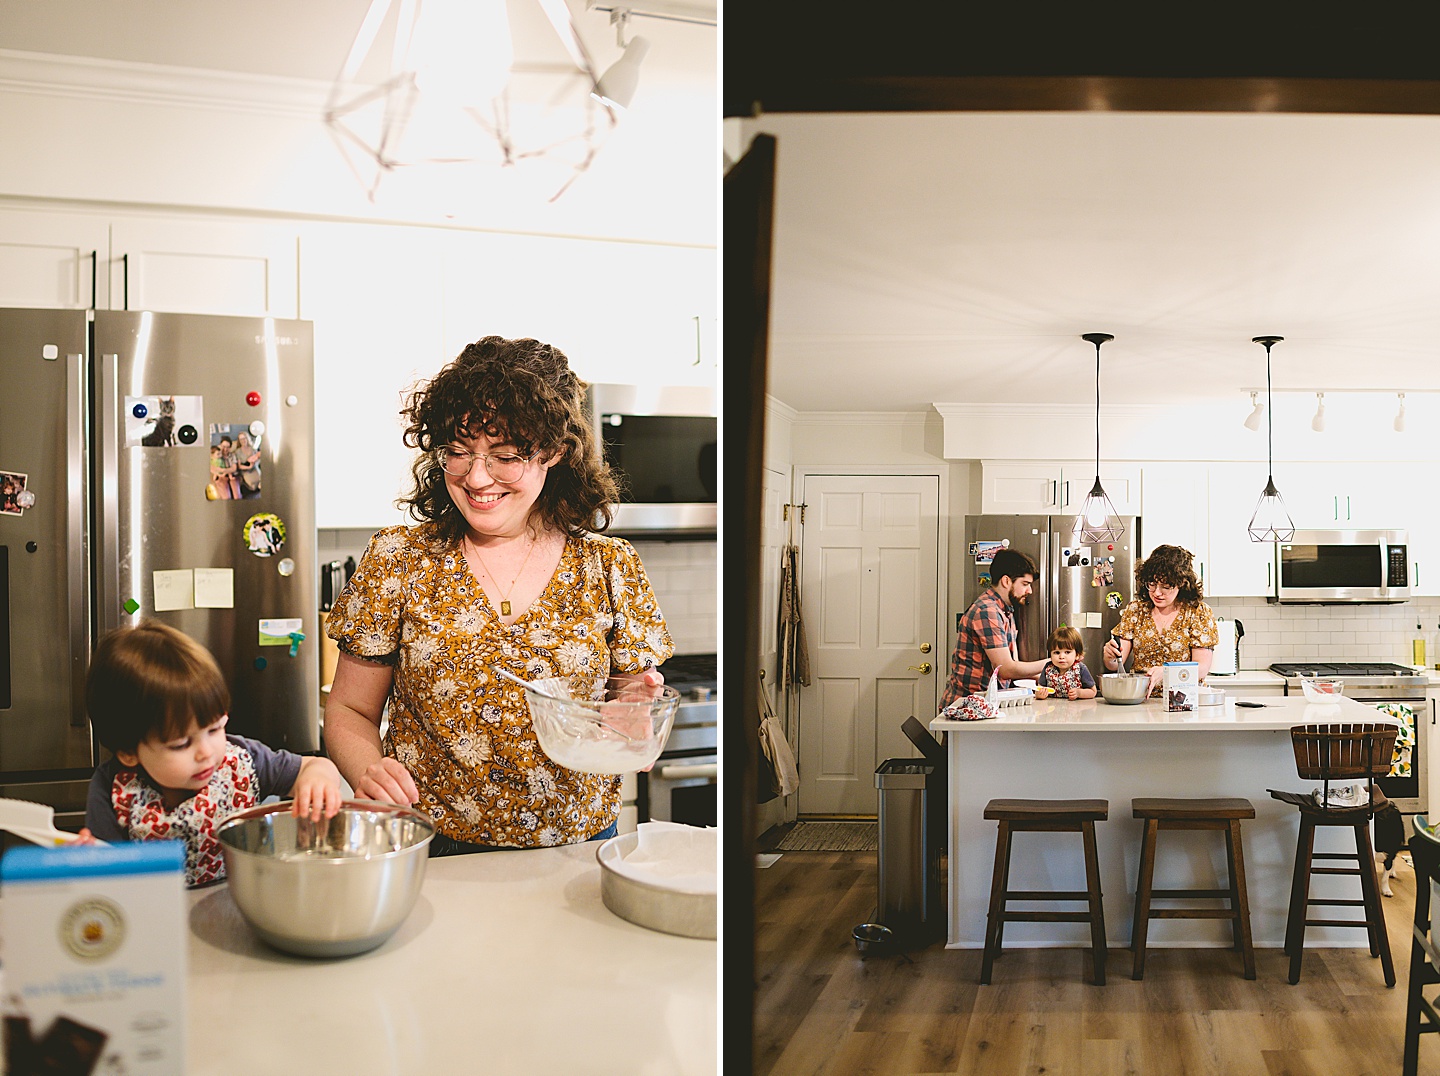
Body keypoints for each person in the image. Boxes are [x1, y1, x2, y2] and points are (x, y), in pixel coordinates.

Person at [323, 336, 674, 856]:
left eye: (506, 456)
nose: (476, 477)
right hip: (434, 845)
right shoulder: (399, 559)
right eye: (458, 452)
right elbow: (350, 708)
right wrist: (369, 771)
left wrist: (630, 715)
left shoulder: (608, 566)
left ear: (554, 452)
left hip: (576, 847)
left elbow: (623, 708)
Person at [81, 621, 343, 887]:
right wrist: (91, 861)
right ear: (128, 752)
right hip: (158, 916)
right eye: (181, 744)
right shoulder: (113, 791)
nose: (206, 752)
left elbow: (313, 767)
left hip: (246, 906)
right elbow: (108, 882)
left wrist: (318, 780)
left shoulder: (242, 761)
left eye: (215, 728)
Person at [1101, 543, 1219, 697]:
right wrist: (1110, 656)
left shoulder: (1198, 612)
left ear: (1182, 583)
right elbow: (1115, 665)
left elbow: (1202, 668)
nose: (1157, 592)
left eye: (1166, 586)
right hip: (1141, 699)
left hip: (1183, 700)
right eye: (1152, 584)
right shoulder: (1136, 610)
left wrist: (1167, 673)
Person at [941, 547, 1049, 707]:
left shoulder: (1005, 610)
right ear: (1006, 581)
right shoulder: (987, 611)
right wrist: (1051, 663)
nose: (1030, 591)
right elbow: (1006, 669)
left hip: (984, 705)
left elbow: (1013, 667)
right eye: (1025, 584)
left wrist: (1049, 678)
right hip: (967, 709)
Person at [1033, 625, 1097, 700]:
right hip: (1052, 708)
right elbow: (1038, 689)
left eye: (1067, 652)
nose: (1061, 656)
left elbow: (1093, 691)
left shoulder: (1080, 669)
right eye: (1057, 652)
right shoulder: (1048, 668)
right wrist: (1040, 694)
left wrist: (1079, 693)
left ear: (1077, 655)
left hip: (1075, 709)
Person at [236, 430, 262, 498]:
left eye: (244, 438)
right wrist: (249, 467)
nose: (243, 440)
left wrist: (255, 461)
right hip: (246, 470)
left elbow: (257, 459)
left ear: (247, 438)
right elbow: (239, 466)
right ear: (239, 440)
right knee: (252, 485)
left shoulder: (253, 448)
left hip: (255, 467)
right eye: (241, 439)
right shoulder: (238, 452)